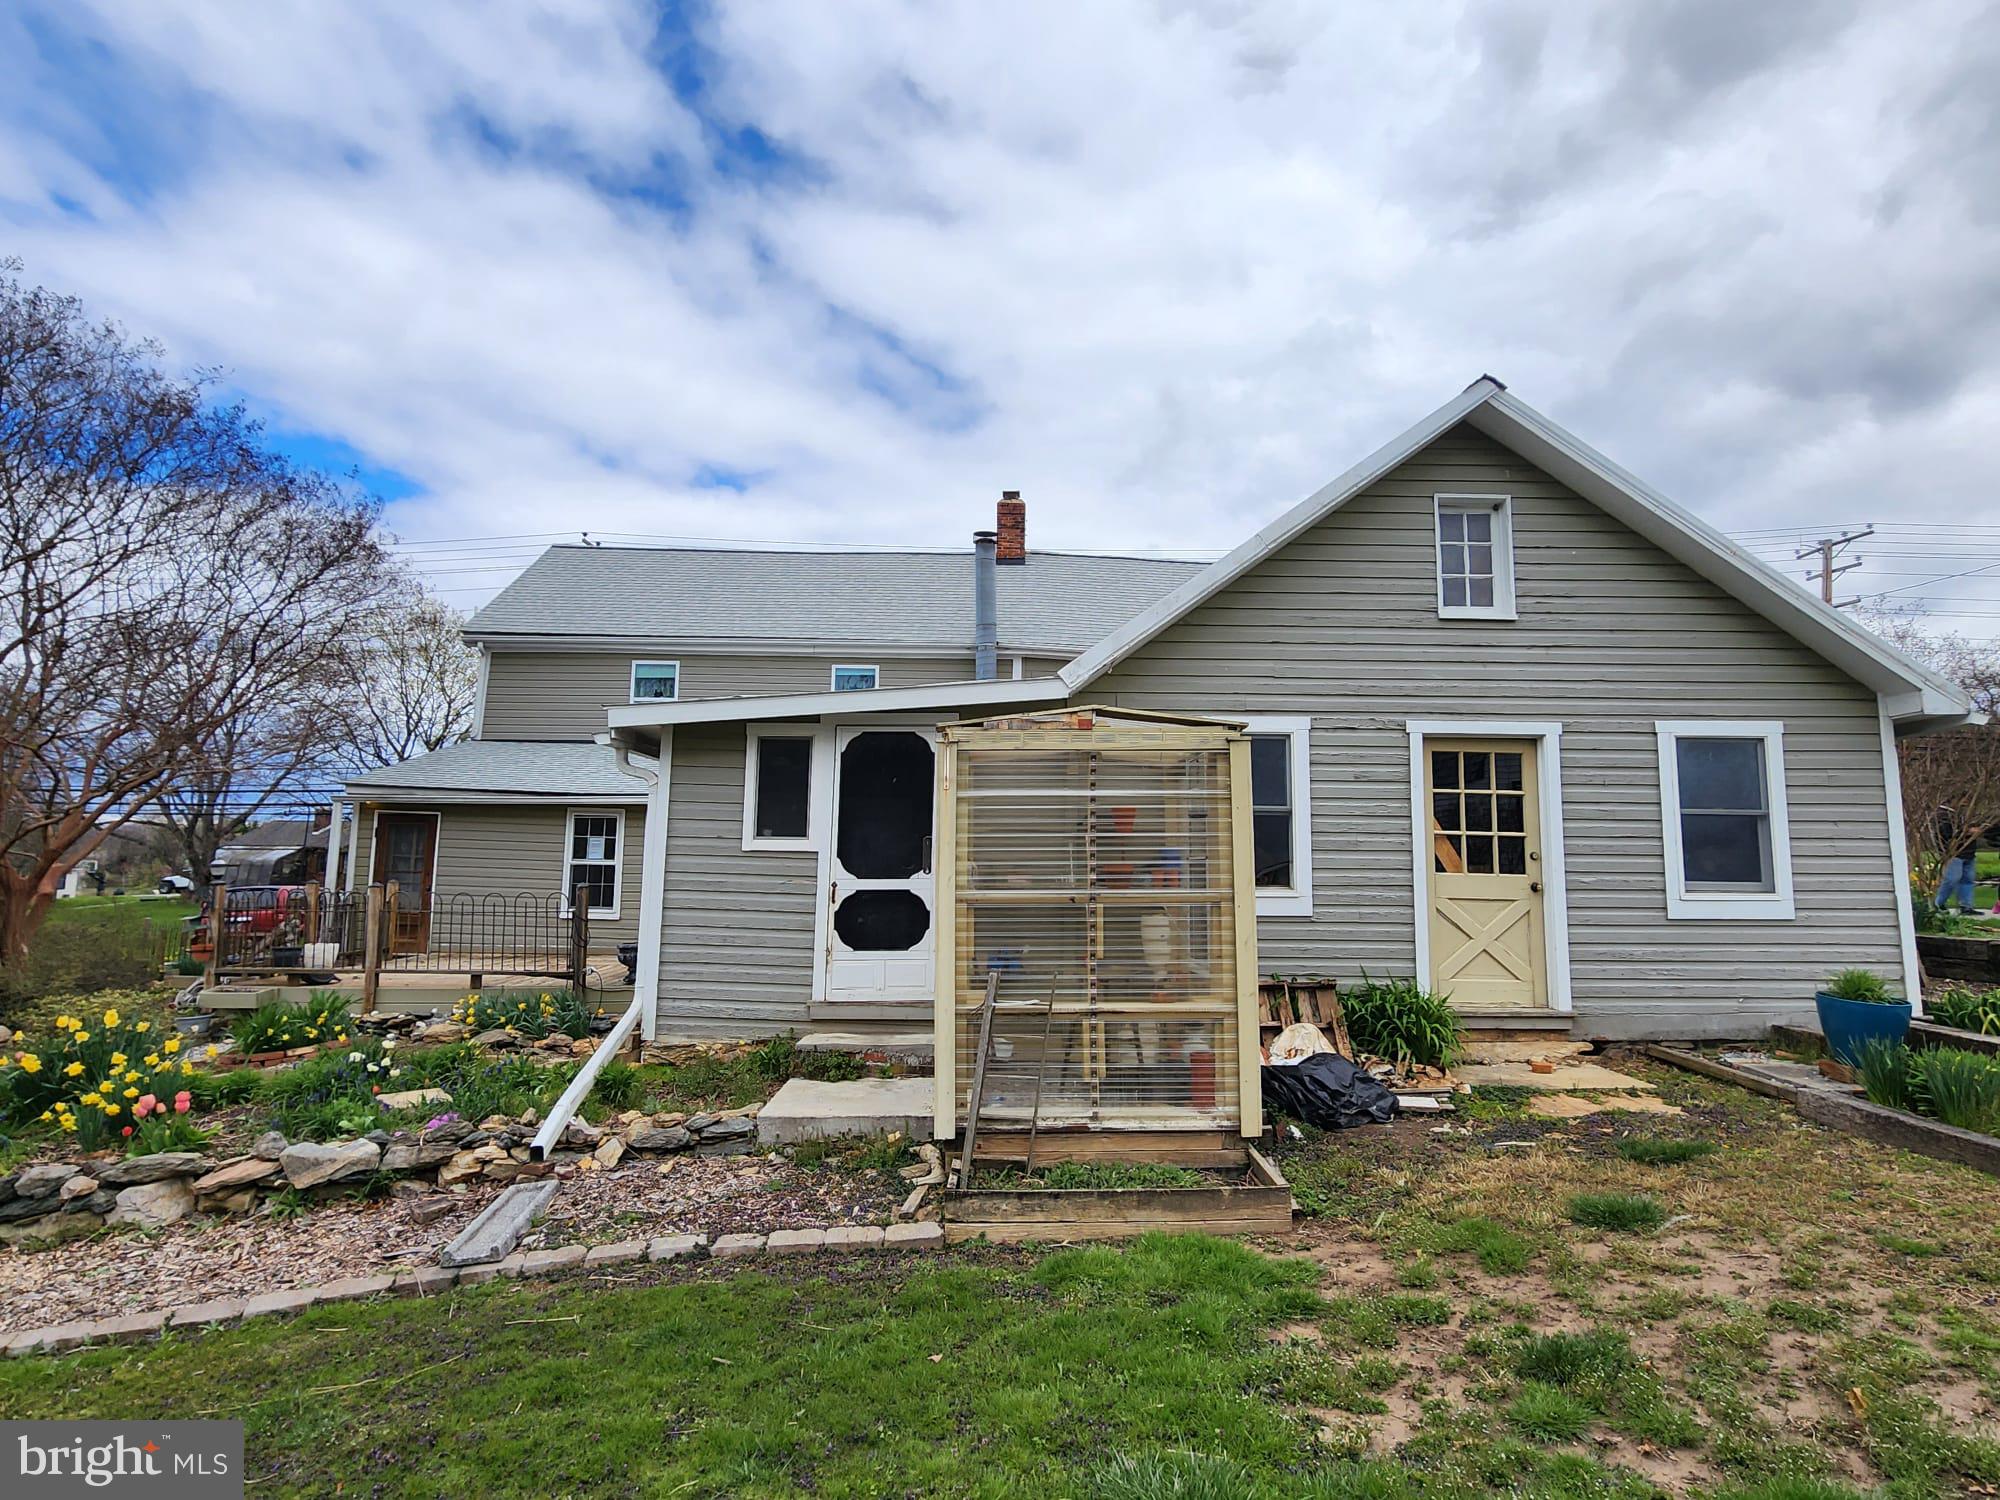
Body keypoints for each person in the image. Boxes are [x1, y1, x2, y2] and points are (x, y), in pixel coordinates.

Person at [1935, 806, 1980, 911]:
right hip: (1955, 853)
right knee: (1951, 879)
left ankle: (1966, 906)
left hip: (1969, 852)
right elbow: (1946, 834)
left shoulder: (1972, 816)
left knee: (1968, 880)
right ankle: (1939, 903)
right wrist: (1966, 831)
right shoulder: (1947, 816)